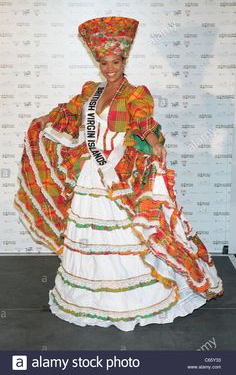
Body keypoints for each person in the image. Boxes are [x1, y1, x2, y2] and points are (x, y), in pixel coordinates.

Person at [14, 16, 223, 332]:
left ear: (124, 59)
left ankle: (142, 297)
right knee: (88, 236)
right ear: (98, 63)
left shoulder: (135, 94)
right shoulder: (91, 91)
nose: (109, 67)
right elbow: (69, 111)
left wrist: (154, 143)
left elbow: (142, 121)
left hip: (117, 172)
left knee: (130, 234)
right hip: (91, 173)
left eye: (115, 61)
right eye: (104, 62)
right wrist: (44, 118)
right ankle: (92, 298)